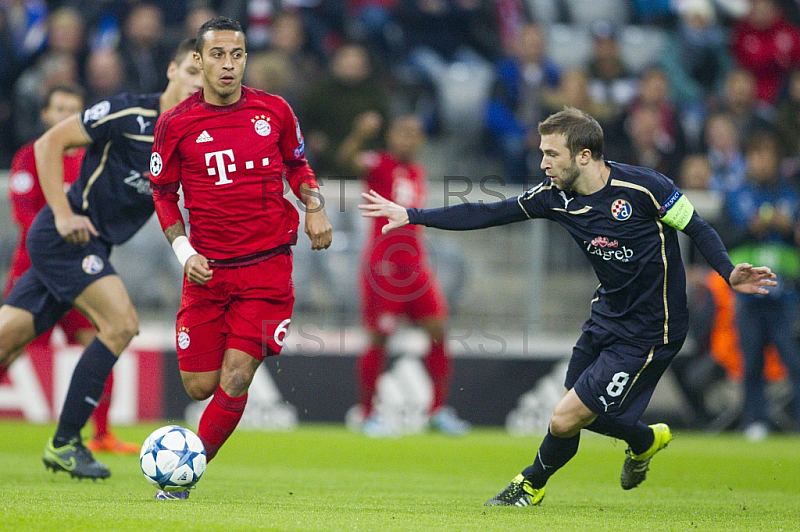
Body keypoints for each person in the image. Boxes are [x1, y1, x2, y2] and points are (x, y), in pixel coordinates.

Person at [360, 106, 776, 506]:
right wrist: (413, 214)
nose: (543, 163)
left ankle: (529, 485)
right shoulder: (554, 197)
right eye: (543, 153)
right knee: (575, 413)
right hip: (605, 316)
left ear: (584, 155)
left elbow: (697, 226)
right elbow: (488, 212)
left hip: (653, 326)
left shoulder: (646, 187)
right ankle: (643, 440)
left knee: (563, 419)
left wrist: (727, 270)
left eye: (551, 153)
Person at [0, 38, 202, 480]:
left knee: (6, 342)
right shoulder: (128, 113)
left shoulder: (189, 139)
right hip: (64, 238)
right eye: (192, 70)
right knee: (121, 324)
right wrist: (62, 211)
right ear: (171, 69)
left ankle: (68, 442)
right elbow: (48, 144)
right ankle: (66, 443)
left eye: (206, 77)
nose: (197, 82)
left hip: (90, 245)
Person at [149, 17, 332, 500]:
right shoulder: (176, 123)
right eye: (217, 55)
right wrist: (183, 250)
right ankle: (186, 460)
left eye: (237, 55)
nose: (227, 65)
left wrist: (313, 207)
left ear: (245, 58)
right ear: (199, 60)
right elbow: (164, 193)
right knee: (197, 384)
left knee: (236, 373)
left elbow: (297, 164)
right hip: (206, 271)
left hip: (267, 268)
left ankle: (181, 476)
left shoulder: (274, 111)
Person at [1, 83, 138, 455]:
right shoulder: (30, 156)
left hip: (79, 275)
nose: (64, 116)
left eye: (71, 110)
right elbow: (24, 214)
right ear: (45, 114)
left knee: (102, 341)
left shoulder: (93, 160)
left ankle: (102, 433)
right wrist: (63, 227)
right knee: (8, 348)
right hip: (36, 269)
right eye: (58, 108)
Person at [337, 113, 470, 437]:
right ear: (391, 136)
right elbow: (343, 162)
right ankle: (367, 414)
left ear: (421, 140)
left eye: (414, 134)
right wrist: (357, 132)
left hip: (416, 267)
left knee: (439, 330)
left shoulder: (417, 171)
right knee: (380, 337)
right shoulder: (378, 164)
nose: (407, 140)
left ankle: (436, 412)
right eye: (402, 133)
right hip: (384, 267)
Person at [722, 131, 800, 440]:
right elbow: (723, 239)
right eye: (755, 154)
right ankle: (755, 421)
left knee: (795, 362)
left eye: (766, 154)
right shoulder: (735, 195)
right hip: (750, 297)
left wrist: (790, 228)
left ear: (776, 159)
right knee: (752, 361)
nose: (761, 161)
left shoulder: (792, 196)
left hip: (787, 294)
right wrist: (751, 229)